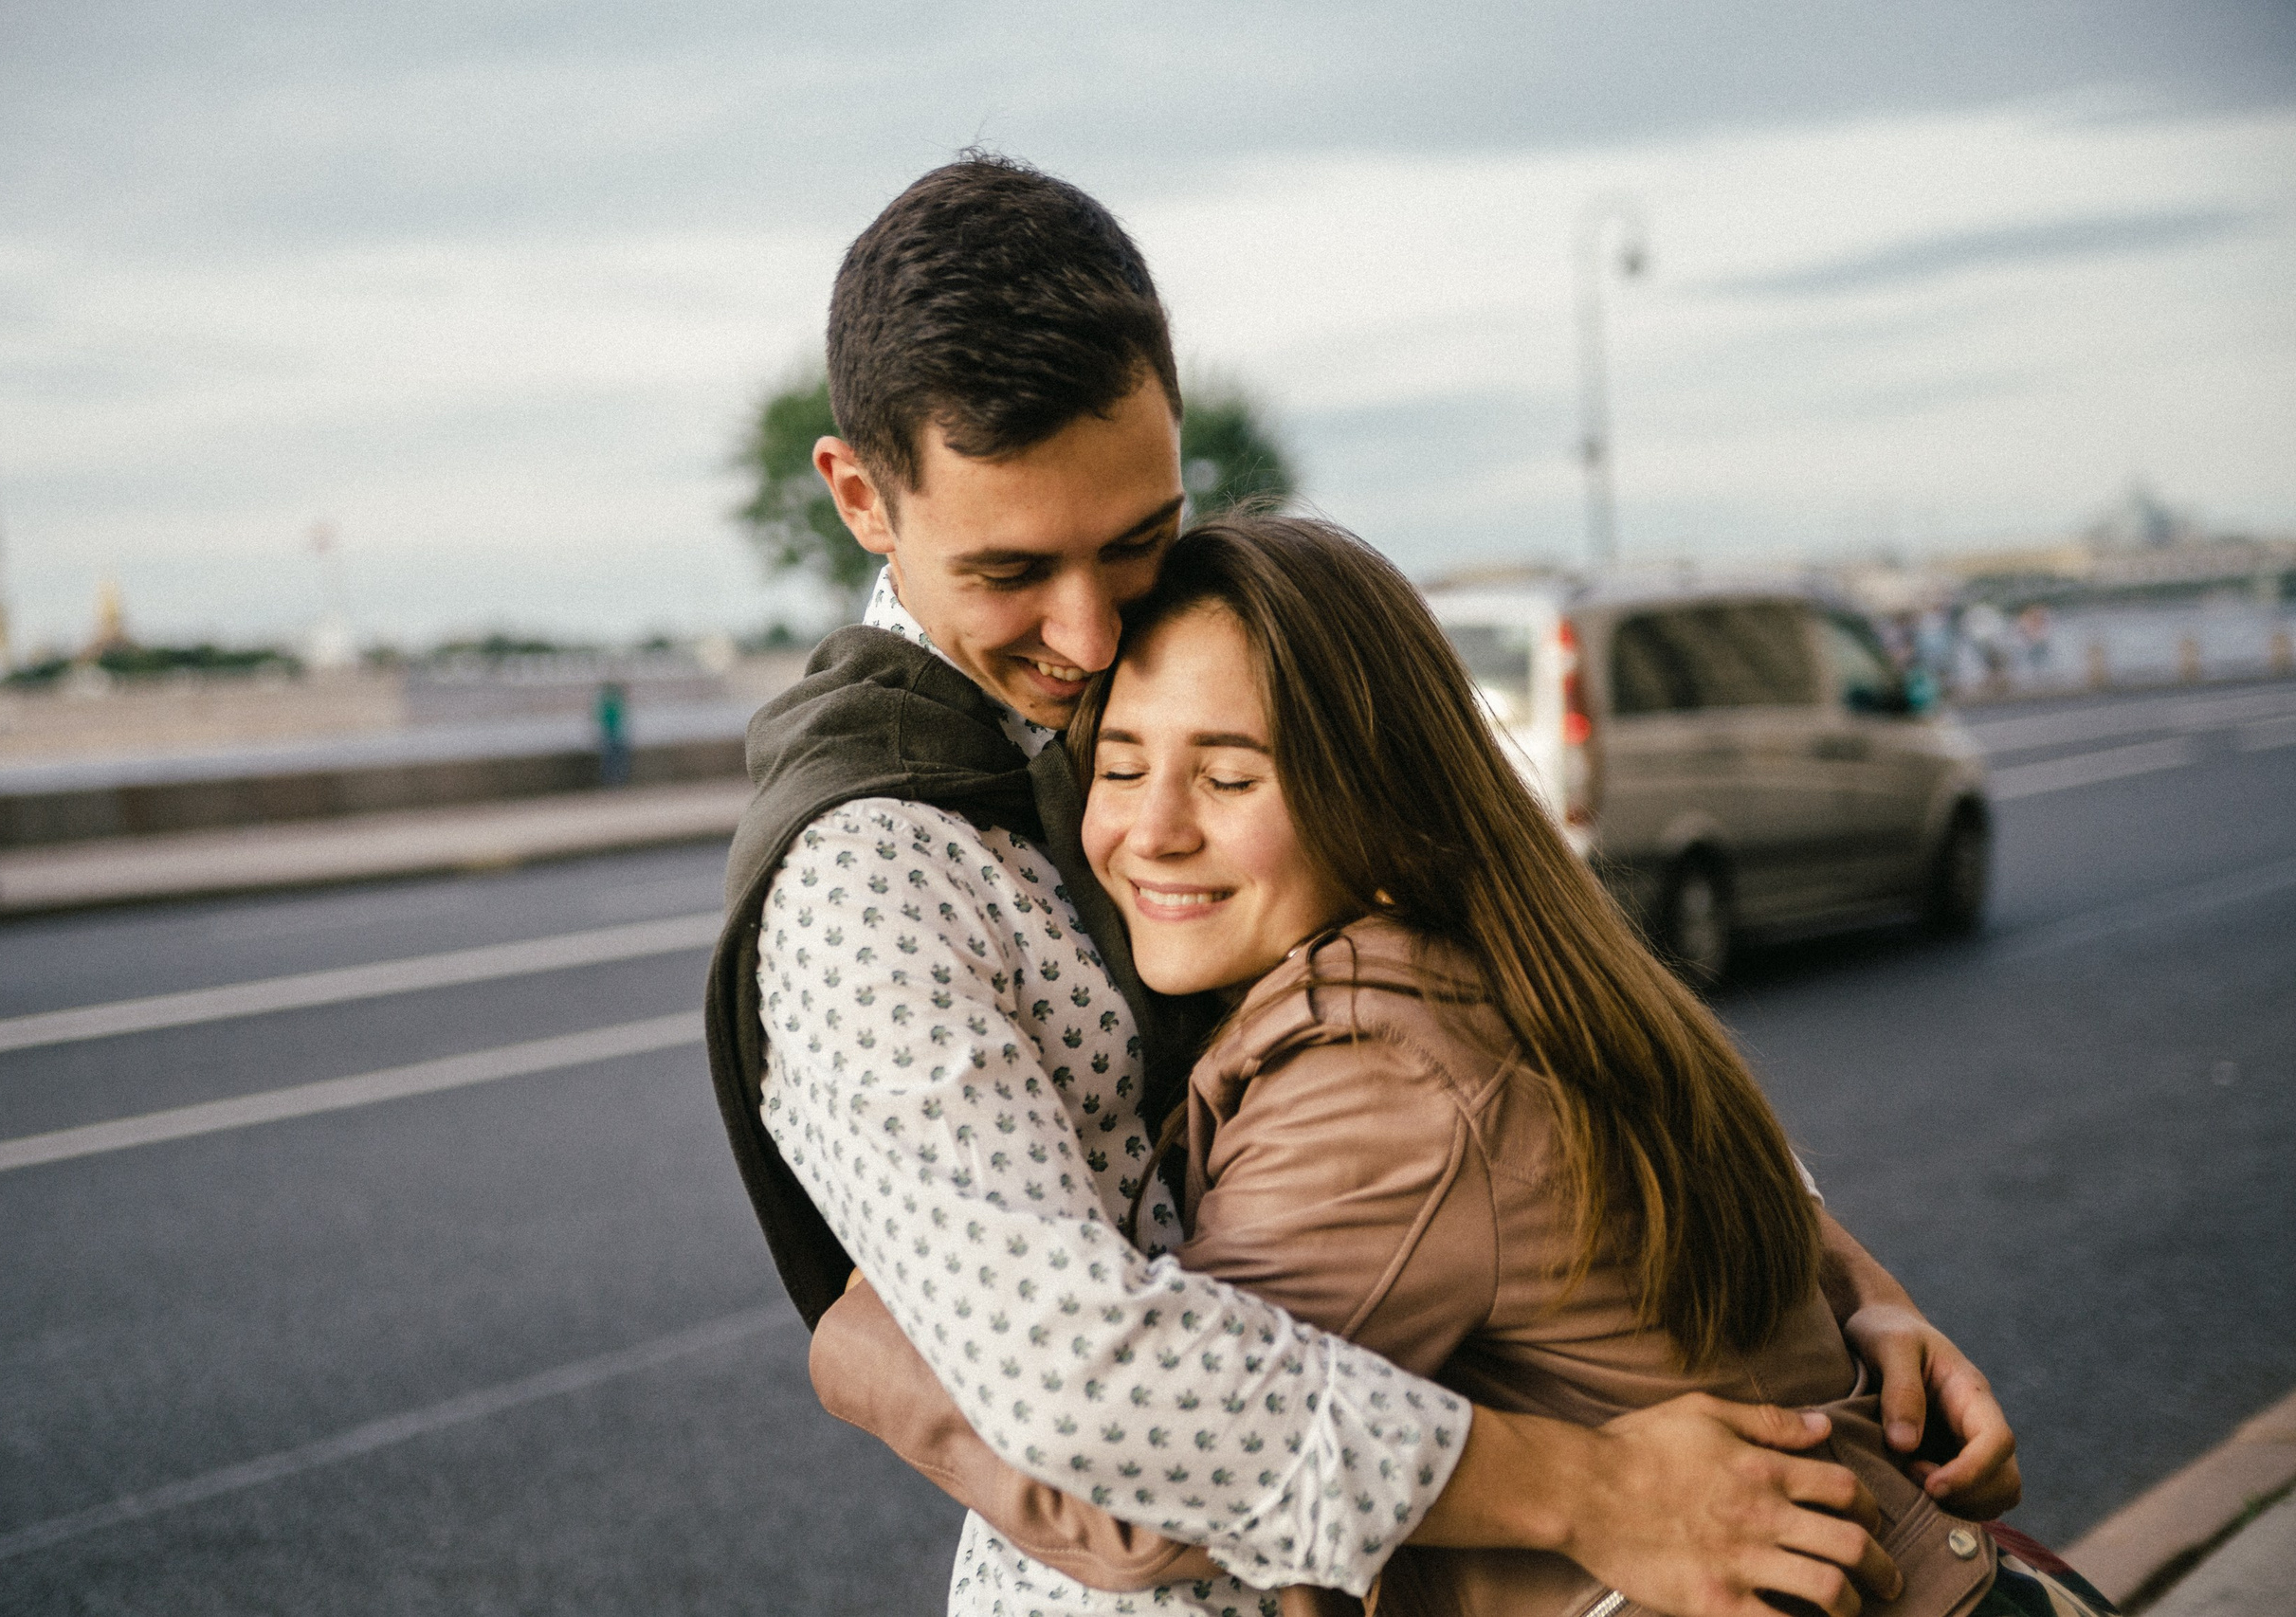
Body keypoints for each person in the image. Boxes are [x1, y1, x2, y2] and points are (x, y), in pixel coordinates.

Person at [705, 153, 2014, 1617]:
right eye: (1012, 571)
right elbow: (1086, 1384)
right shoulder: (869, 880)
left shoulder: (1196, 648)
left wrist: (1837, 1293)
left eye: (1136, 539)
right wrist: (1592, 1483)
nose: (1088, 634)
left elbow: (1547, 1019)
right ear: (860, 495)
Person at [813, 516, 2100, 1617]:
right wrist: (1864, 1291)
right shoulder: (1511, 956)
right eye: (1123, 762)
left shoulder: (1372, 1070)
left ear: (1371, 799)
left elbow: (1147, 1485)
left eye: (1230, 775)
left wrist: (861, 1340)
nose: (1152, 829)